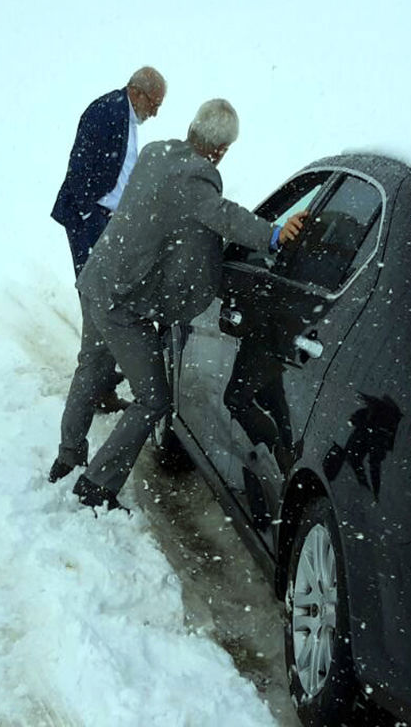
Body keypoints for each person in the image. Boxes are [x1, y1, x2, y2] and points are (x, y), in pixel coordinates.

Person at [48, 99, 306, 508]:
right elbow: (224, 216)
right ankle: (96, 487)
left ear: (192, 127)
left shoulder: (157, 152)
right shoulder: (197, 178)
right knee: (154, 398)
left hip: (97, 278)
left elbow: (177, 214)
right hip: (121, 302)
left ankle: (67, 457)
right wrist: (274, 236)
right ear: (221, 150)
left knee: (91, 366)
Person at [50, 67, 167, 413]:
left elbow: (121, 172)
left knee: (107, 302)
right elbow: (81, 168)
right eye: (155, 104)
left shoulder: (124, 115)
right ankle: (92, 388)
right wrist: (92, 217)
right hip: (91, 221)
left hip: (105, 221)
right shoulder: (106, 112)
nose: (156, 112)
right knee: (99, 303)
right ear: (138, 92)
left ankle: (100, 384)